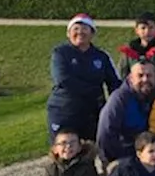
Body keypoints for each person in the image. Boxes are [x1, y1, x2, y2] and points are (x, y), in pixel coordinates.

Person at [47, 14, 121, 142]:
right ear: (68, 33)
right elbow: (63, 80)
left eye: (85, 28)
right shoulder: (60, 53)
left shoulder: (101, 56)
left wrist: (118, 101)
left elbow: (113, 82)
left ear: (92, 33)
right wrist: (94, 92)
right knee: (64, 151)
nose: (80, 32)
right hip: (64, 111)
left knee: (90, 150)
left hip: (91, 113)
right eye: (75, 29)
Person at [96, 60, 155, 168]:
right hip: (124, 155)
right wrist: (113, 160)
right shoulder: (119, 99)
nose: (145, 79)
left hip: (152, 154)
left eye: (149, 75)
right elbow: (105, 133)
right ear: (130, 78)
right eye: (140, 75)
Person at [115, 12, 155, 83]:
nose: (147, 31)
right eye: (143, 28)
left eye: (151, 27)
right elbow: (122, 73)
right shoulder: (129, 50)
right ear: (136, 30)